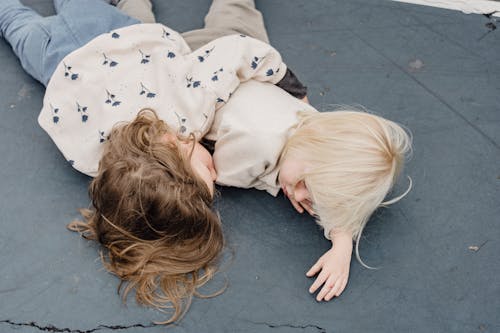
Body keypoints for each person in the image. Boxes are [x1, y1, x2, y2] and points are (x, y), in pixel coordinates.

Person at [0, 0, 301, 324]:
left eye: (206, 170)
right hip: (51, 56)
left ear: (174, 142)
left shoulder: (188, 106)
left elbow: (241, 50)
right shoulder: (96, 162)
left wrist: (295, 91)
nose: (216, 173)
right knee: (13, 22)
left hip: (113, 32)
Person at [120, 0, 412, 302]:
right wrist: (274, 183)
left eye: (312, 200)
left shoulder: (315, 129)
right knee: (139, 38)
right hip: (189, 66)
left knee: (235, 12)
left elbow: (340, 193)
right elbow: (214, 169)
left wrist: (342, 244)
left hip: (235, 53)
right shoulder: (258, 145)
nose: (299, 199)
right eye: (305, 189)